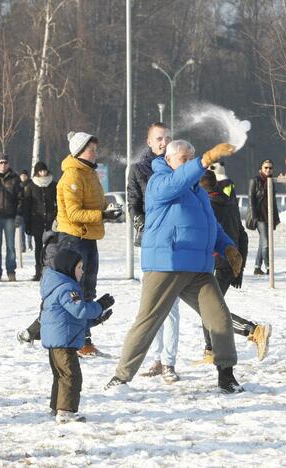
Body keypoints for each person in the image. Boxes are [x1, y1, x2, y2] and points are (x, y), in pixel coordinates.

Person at [104, 140, 246, 394]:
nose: (190, 162)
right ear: (169, 160)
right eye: (184, 158)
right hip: (166, 264)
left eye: (192, 157)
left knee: (220, 319)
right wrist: (204, 160)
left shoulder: (198, 190)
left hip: (198, 268)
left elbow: (210, 224)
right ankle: (121, 377)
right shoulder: (159, 182)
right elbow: (176, 182)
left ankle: (226, 374)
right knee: (149, 320)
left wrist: (227, 247)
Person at [57, 131, 122, 357]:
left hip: (89, 237)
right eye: (91, 150)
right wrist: (102, 215)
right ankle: (77, 341)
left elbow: (99, 201)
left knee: (88, 288)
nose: (95, 154)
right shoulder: (73, 175)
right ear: (78, 152)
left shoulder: (90, 173)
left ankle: (84, 339)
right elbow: (74, 212)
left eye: (95, 149)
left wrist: (109, 209)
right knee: (76, 291)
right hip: (74, 239)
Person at [126, 122, 181, 383]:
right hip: (150, 244)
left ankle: (169, 361)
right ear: (149, 142)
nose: (163, 142)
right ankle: (156, 358)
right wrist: (140, 221)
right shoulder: (138, 170)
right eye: (159, 138)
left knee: (171, 306)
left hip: (174, 243)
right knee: (151, 305)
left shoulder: (176, 165)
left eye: (167, 138)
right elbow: (133, 202)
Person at [199, 171, 271, 362]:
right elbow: (242, 235)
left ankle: (253, 330)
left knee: (210, 309)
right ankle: (210, 350)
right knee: (208, 308)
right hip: (230, 264)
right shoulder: (229, 203)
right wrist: (239, 268)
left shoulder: (207, 206)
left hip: (217, 264)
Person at [40, 249, 115, 423]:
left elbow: (71, 318)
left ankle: (56, 407)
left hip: (57, 340)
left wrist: (96, 319)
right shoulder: (67, 288)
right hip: (63, 342)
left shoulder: (57, 286)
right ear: (68, 268)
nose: (82, 271)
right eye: (79, 267)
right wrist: (99, 306)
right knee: (71, 376)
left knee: (61, 375)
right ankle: (65, 411)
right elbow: (80, 310)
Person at [23, 161, 57, 281]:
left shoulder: (53, 185)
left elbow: (58, 202)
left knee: (50, 247)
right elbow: (27, 205)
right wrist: (27, 223)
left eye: (44, 170)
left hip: (50, 221)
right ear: (37, 172)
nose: (43, 173)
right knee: (38, 247)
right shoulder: (31, 186)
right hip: (36, 221)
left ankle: (51, 271)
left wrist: (56, 215)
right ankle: (38, 271)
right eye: (40, 171)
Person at [247, 159, 280, 275]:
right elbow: (251, 199)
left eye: (270, 168)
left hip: (269, 216)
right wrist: (254, 217)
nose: (268, 170)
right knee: (266, 243)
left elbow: (274, 202)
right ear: (260, 168)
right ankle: (268, 267)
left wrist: (276, 218)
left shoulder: (272, 181)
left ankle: (257, 267)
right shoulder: (255, 180)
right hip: (259, 217)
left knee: (262, 242)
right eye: (265, 167)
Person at [19, 169, 31, 253]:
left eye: (25, 176)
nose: (23, 177)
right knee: (21, 230)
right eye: (22, 175)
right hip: (21, 211)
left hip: (29, 210)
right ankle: (22, 246)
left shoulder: (30, 185)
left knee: (29, 229)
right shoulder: (18, 185)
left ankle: (29, 243)